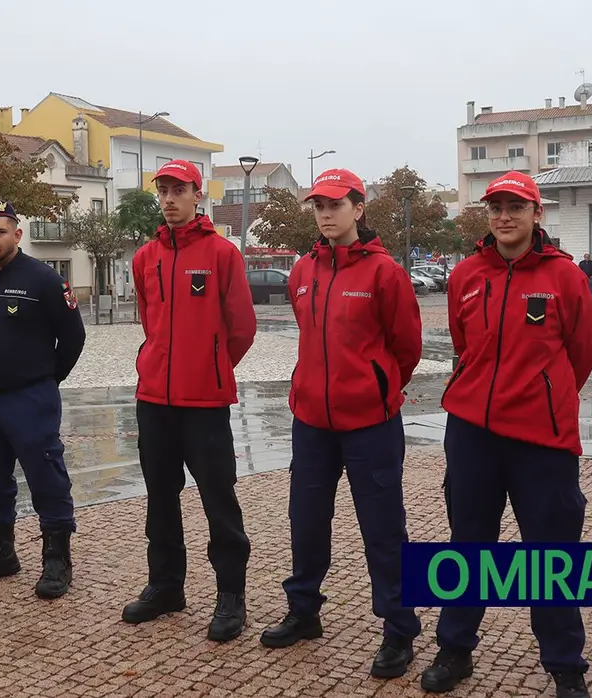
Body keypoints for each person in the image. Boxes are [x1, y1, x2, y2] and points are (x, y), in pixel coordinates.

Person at [423, 171, 592, 697]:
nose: (504, 216)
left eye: (515, 207)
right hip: (472, 432)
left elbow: (581, 354)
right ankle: (455, 650)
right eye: (496, 206)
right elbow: (463, 342)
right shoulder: (467, 275)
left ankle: (565, 665)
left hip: (542, 440)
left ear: (536, 213)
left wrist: (543, 394)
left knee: (550, 555)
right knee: (469, 546)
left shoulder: (566, 278)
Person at [259, 169, 424, 677]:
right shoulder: (302, 271)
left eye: (335, 205)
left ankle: (399, 630)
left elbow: (407, 347)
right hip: (311, 421)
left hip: (370, 423)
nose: (326, 214)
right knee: (306, 521)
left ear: (359, 209)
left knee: (384, 530)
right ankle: (304, 611)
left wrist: (380, 388)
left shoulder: (384, 273)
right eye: (319, 206)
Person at [121, 159, 258, 643]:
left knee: (218, 499)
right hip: (154, 399)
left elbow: (242, 326)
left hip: (205, 402)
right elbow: (149, 320)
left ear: (198, 194)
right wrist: (159, 363)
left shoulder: (222, 254)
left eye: (179, 189)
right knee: (160, 497)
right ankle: (165, 587)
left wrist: (211, 366)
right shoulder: (144, 258)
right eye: (163, 190)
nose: (170, 198)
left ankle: (230, 595)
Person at [0, 199, 86, 600]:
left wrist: (45, 378)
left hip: (30, 399)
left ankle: (56, 559)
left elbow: (74, 337)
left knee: (46, 478)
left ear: (17, 233)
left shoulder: (44, 279)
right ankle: (0, 552)